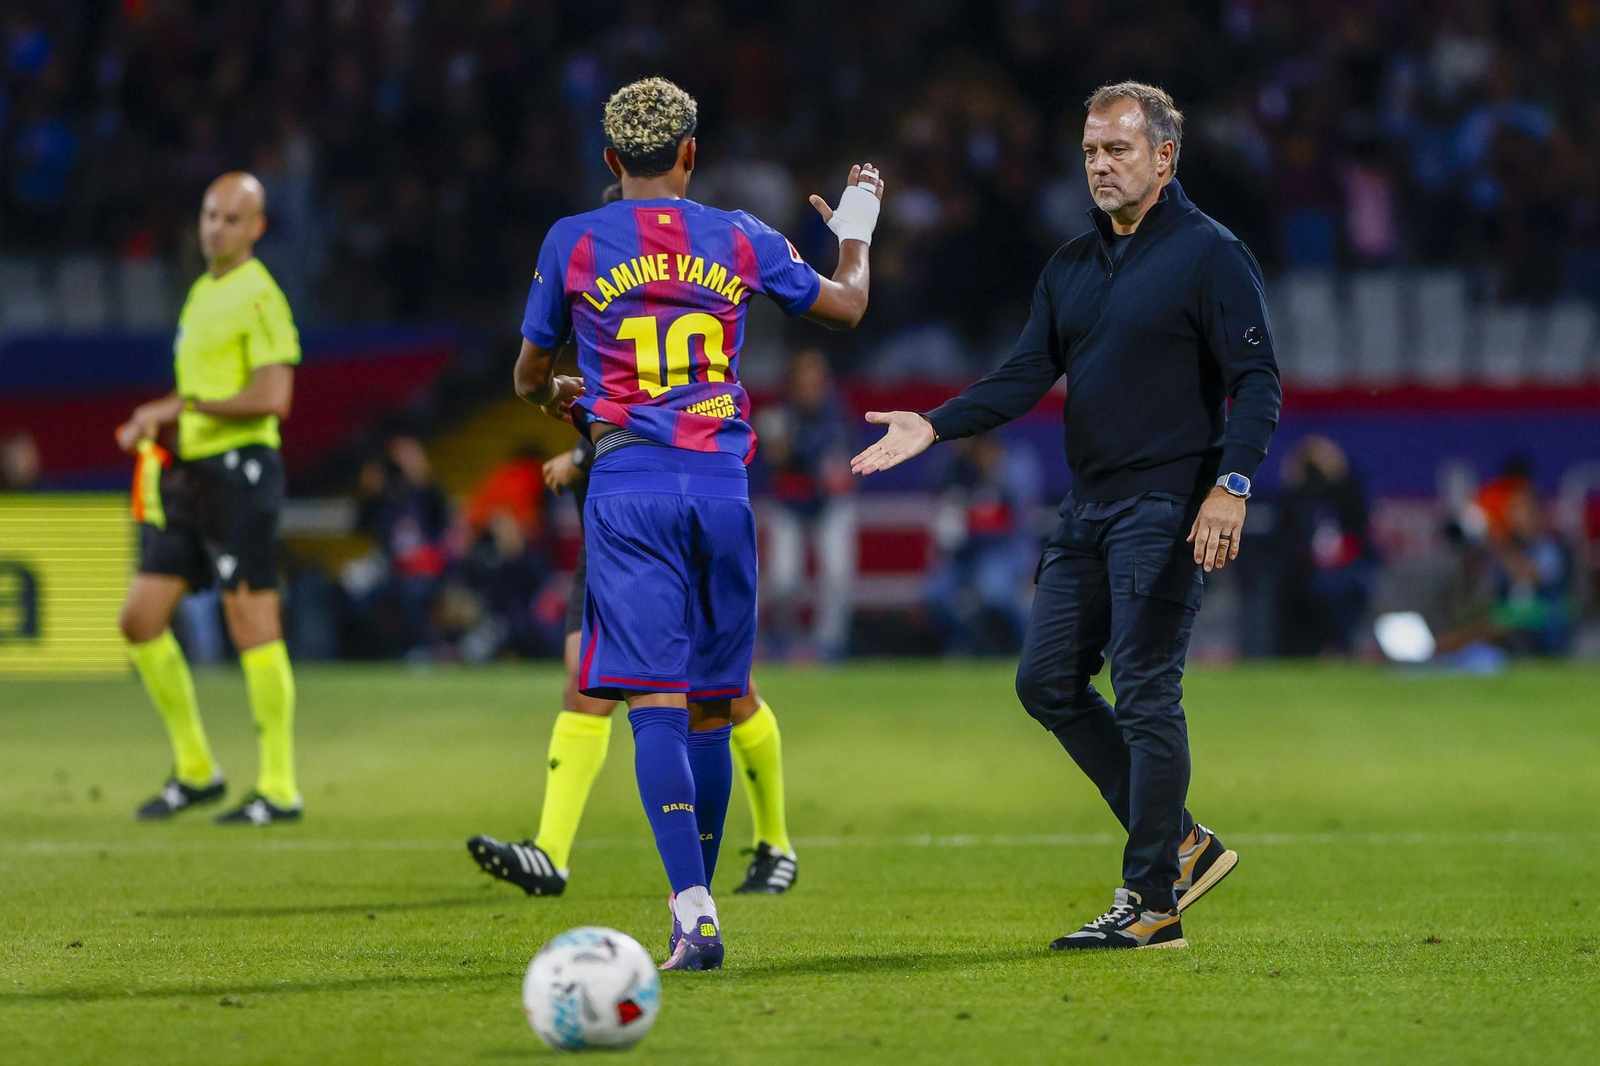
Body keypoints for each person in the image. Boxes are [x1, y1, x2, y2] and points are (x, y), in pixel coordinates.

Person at [853, 82, 1281, 950]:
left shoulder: (1210, 253)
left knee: (1147, 688)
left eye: (1118, 150)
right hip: (1087, 508)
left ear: (1165, 156)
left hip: (1165, 506)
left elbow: (1259, 382)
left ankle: (1151, 900)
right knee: (1043, 681)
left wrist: (1228, 487)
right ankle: (1184, 844)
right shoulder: (1072, 265)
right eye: (1090, 151)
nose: (1099, 166)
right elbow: (1022, 375)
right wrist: (933, 424)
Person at [487, 77, 880, 970]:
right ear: (693, 155)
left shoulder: (573, 240)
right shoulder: (740, 235)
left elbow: (525, 373)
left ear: (610, 160)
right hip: (720, 488)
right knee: (713, 702)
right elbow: (848, 304)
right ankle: (692, 910)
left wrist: (553, 394)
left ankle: (695, 911)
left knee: (653, 703)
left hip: (628, 489)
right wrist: (856, 221)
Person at [468, 429, 799, 899]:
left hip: (673, 505)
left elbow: (669, 404)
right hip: (612, 522)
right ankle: (550, 854)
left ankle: (775, 844)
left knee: (728, 692)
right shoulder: (587, 365)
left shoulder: (664, 366)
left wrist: (583, 448)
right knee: (582, 684)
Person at [115, 171, 304, 825]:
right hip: (190, 475)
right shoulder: (201, 291)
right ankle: (196, 770)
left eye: (230, 218)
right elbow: (202, 390)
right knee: (140, 619)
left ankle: (279, 787)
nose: (214, 227)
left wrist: (190, 405)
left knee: (252, 622)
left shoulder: (260, 297)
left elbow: (273, 397)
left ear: (257, 228)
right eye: (208, 215)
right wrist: (159, 411)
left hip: (241, 472)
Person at [756, 348, 857, 660]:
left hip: (829, 504)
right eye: (804, 378)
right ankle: (787, 643)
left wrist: (834, 472)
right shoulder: (778, 417)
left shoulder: (837, 415)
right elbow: (775, 461)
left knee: (838, 575)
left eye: (816, 378)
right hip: (790, 504)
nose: (811, 385)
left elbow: (846, 469)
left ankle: (829, 647)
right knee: (784, 581)